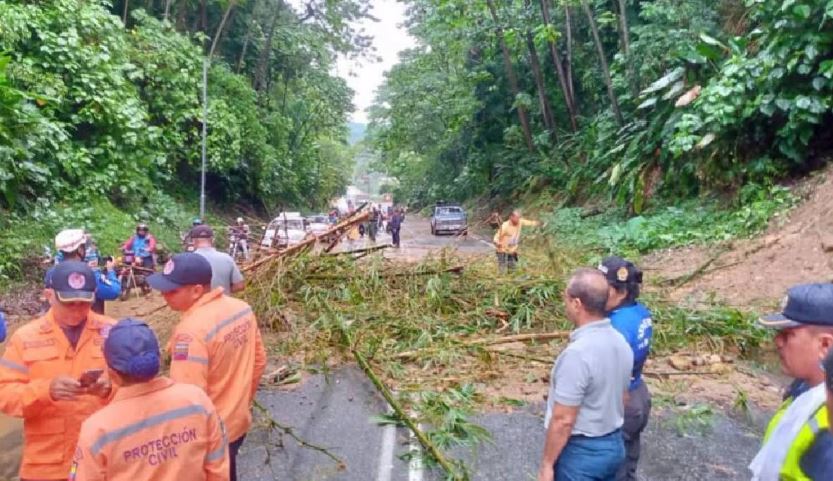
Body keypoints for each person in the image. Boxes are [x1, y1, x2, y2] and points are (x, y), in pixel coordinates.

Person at [147, 253, 267, 481]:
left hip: (208, 435)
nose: (164, 296)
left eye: (172, 291)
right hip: (237, 423)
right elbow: (259, 361)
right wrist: (242, 403)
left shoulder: (191, 332)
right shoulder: (241, 309)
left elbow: (186, 399)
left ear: (196, 290)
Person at [71, 318, 229, 481]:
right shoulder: (197, 400)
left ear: (111, 373)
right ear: (159, 359)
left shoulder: (97, 430)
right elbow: (218, 468)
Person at [0, 261, 115, 481]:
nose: (77, 310)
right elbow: (5, 395)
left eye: (84, 303)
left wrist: (110, 389)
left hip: (102, 461)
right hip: (47, 466)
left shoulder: (112, 331)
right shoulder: (25, 338)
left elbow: (138, 389)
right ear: (49, 295)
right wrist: (46, 391)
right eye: (69, 303)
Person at [538, 268, 632, 481]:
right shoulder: (620, 342)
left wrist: (547, 465)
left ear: (577, 304)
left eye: (567, 299)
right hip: (613, 444)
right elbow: (623, 396)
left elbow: (563, 420)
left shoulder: (578, 355)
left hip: (582, 453)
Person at [750, 283, 833, 480]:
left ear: (825, 345)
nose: (777, 341)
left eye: (788, 335)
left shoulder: (826, 431)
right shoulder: (802, 390)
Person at [598, 257, 653, 481]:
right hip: (638, 393)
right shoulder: (640, 313)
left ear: (620, 291)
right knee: (628, 460)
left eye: (603, 288)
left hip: (622, 401)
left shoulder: (615, 328)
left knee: (613, 466)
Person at [46, 229, 121, 315]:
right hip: (86, 322)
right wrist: (110, 271)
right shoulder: (88, 273)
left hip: (60, 321)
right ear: (80, 249)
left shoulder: (51, 272)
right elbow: (113, 292)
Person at [190, 225, 245, 294]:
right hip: (223, 303)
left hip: (199, 304)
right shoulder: (227, 258)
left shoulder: (188, 261)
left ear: (193, 241)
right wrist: (224, 292)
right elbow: (239, 286)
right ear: (213, 239)